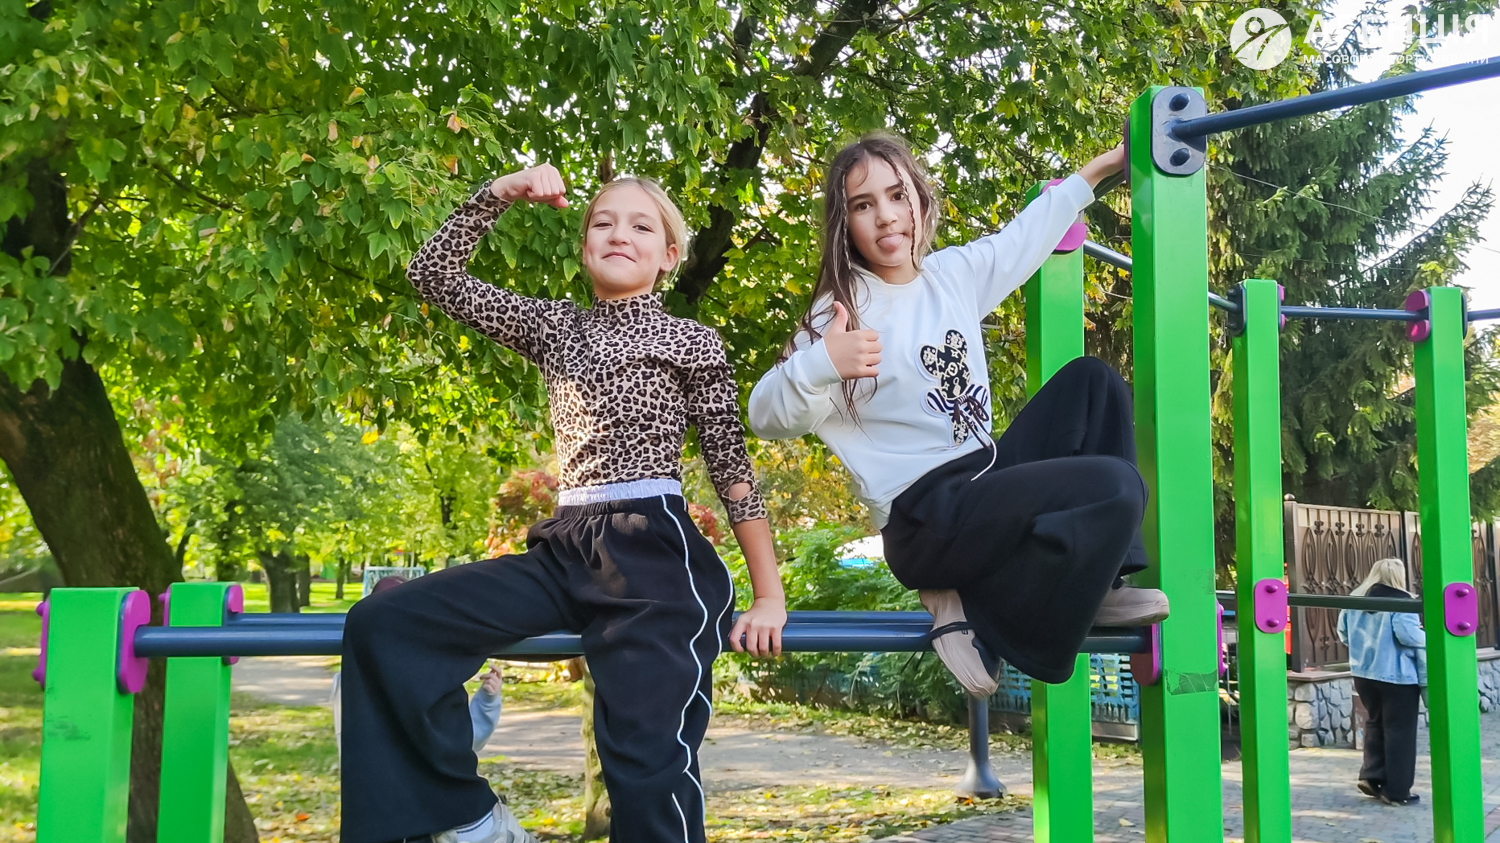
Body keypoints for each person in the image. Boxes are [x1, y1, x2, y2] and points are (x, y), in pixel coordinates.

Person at [341, 166, 788, 843]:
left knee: (645, 766)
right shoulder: (555, 326)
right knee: (384, 624)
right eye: (603, 222)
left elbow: (732, 471)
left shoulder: (691, 341)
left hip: (655, 556)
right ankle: (467, 818)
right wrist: (500, 193)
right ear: (584, 246)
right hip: (567, 546)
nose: (619, 234)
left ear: (669, 255)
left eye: (641, 226)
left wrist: (769, 594)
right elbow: (432, 275)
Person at [749, 133, 1168, 696]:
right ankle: (989, 612)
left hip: (982, 481)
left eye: (897, 196)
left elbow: (1022, 239)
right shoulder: (841, 310)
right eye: (863, 205)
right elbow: (765, 414)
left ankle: (1102, 583)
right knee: (1116, 486)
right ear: (845, 225)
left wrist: (1098, 171)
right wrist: (822, 362)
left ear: (919, 202)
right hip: (924, 518)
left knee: (1094, 384)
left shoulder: (950, 276)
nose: (886, 216)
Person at [331, 577, 503, 757]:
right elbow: (352, 747)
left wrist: (487, 702)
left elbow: (462, 741)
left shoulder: (432, 676)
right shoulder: (355, 681)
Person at [1338, 557, 1427, 806]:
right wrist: (1430, 637)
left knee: (1375, 722)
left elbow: (1343, 633)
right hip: (1397, 676)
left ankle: (1371, 775)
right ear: (1398, 576)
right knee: (1400, 732)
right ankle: (1397, 792)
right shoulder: (1402, 601)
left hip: (1363, 674)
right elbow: (1408, 636)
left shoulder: (1354, 599)